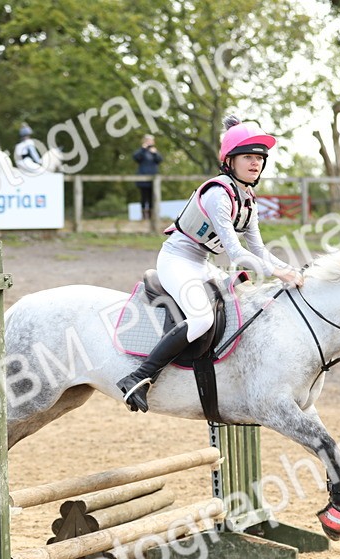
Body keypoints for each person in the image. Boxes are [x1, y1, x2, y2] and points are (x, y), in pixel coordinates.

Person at [116, 117, 305, 413]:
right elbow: (236, 252)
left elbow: (259, 250)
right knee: (202, 320)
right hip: (177, 260)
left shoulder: (248, 200)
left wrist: (292, 270)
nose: (255, 163)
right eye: (248, 157)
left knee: (244, 298)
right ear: (229, 161)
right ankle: (139, 377)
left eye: (259, 158)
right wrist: (278, 272)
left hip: (201, 262)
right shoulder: (219, 194)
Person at [132, 135, 163, 220]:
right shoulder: (141, 151)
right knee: (143, 197)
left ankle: (151, 216)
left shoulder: (154, 151)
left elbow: (160, 160)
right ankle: (143, 216)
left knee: (152, 198)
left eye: (152, 140)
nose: (151, 142)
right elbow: (136, 158)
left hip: (153, 180)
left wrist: (155, 153)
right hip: (143, 179)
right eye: (149, 140)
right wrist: (142, 149)